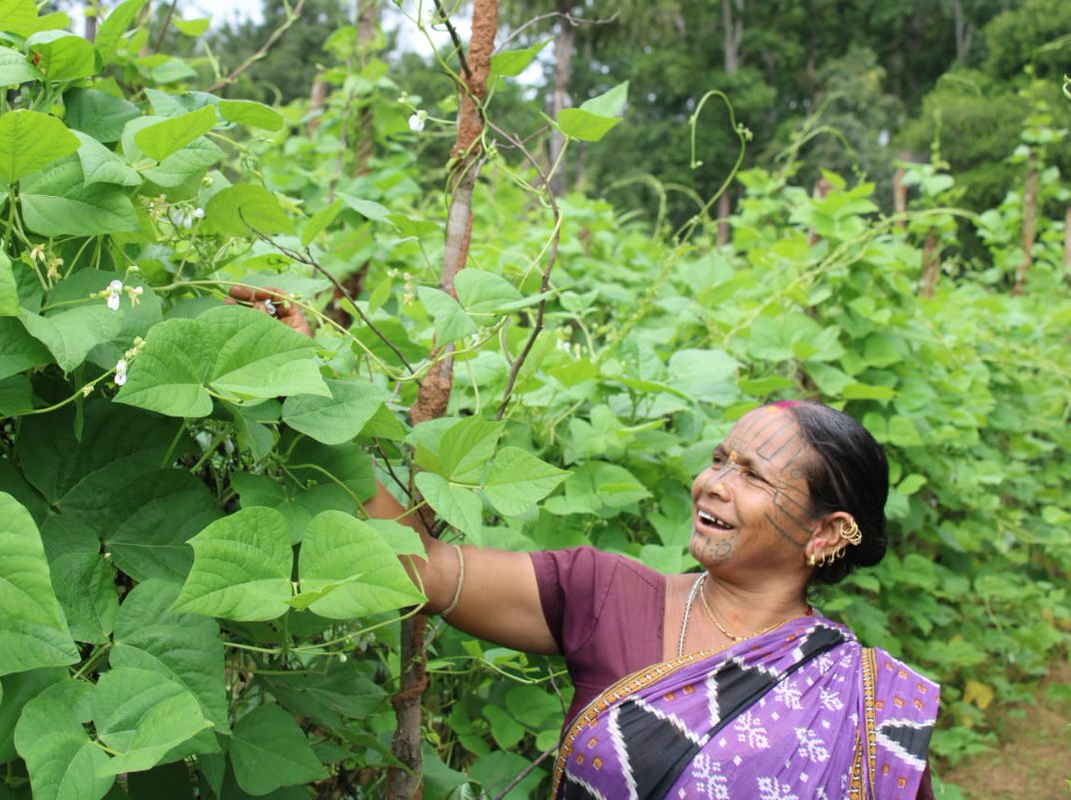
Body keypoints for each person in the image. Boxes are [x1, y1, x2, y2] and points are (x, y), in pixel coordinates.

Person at [235, 287, 939, 799]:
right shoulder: (607, 595)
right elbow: (423, 566)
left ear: (826, 532)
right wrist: (304, 383)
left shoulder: (865, 706)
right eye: (719, 459)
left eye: (751, 475)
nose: (711, 484)